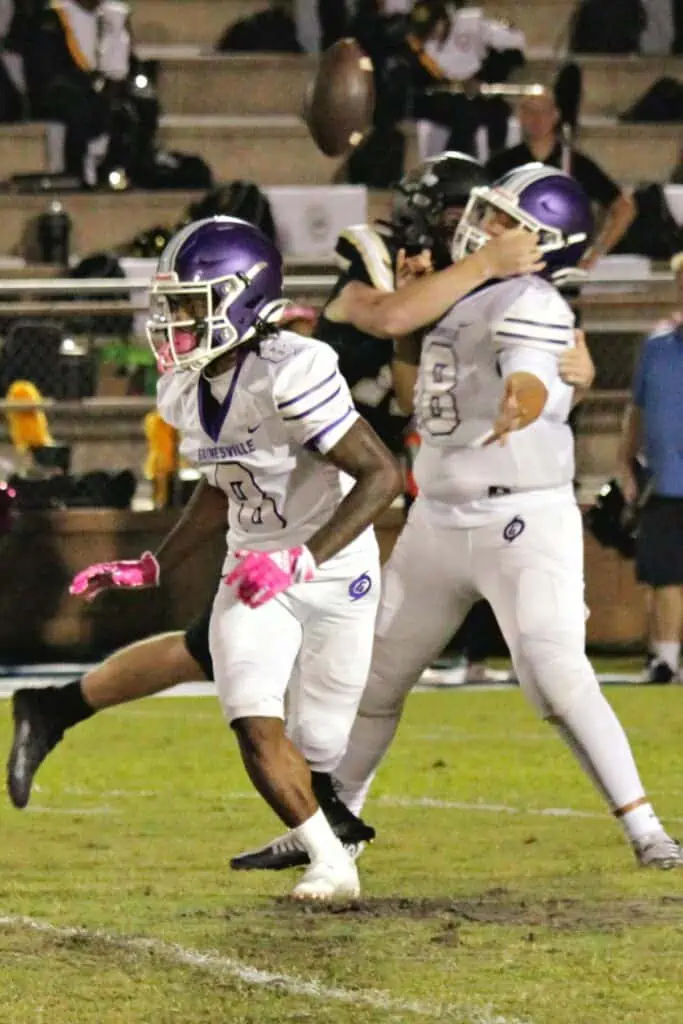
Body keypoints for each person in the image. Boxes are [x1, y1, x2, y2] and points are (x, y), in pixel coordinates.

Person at [6, 158, 544, 831]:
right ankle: (324, 816)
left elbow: (405, 388)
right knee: (266, 663)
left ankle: (60, 708)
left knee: (228, 656)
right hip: (304, 494)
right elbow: (388, 314)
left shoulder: (448, 293)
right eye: (465, 217)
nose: (474, 232)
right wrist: (480, 268)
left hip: (327, 493)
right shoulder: (370, 262)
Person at [239, 165, 683, 872]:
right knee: (374, 679)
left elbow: (530, 370)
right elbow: (410, 383)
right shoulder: (459, 288)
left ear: (543, 240)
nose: (485, 227)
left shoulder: (532, 299)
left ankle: (646, 829)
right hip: (439, 518)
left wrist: (524, 399)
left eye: (506, 220)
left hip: (519, 518)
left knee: (553, 673)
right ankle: (330, 828)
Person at [618, 250, 683, 685]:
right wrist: (624, 462)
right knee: (663, 575)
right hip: (663, 482)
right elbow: (636, 410)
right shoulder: (656, 347)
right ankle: (665, 660)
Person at [486, 92, 637, 271]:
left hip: (563, 264)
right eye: (530, 112)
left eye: (544, 112)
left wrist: (597, 251)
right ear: (520, 116)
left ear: (556, 115)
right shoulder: (501, 163)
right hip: (515, 262)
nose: (537, 119)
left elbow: (624, 207)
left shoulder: (577, 163)